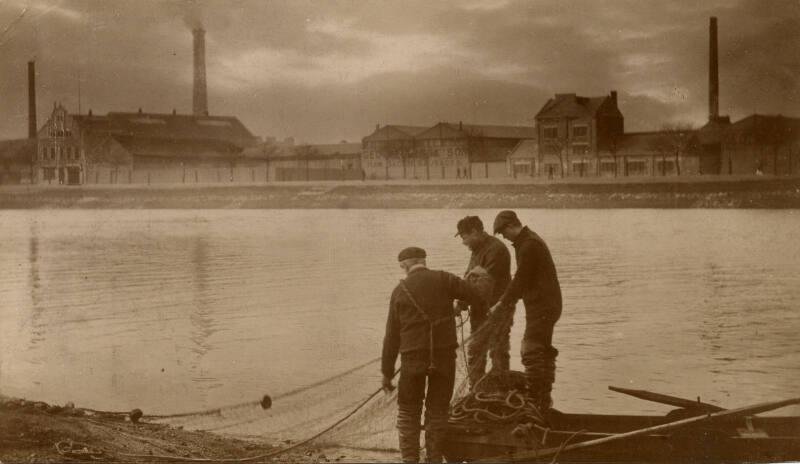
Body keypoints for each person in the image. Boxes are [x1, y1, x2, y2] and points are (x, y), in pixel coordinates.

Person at [382, 247, 487, 463]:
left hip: (412, 359)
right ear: (423, 261)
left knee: (408, 412)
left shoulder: (399, 290)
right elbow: (477, 296)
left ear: (405, 265)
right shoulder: (444, 279)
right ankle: (434, 459)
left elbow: (391, 337)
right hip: (443, 358)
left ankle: (410, 460)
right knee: (438, 412)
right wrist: (476, 278)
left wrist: (387, 372)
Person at [491, 210, 562, 412]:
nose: (504, 237)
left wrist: (502, 303)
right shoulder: (528, 241)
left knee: (531, 350)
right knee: (542, 350)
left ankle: (535, 400)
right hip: (547, 304)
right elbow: (524, 280)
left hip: (543, 306)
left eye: (504, 233)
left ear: (511, 226)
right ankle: (542, 401)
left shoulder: (529, 245)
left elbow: (521, 279)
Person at [454, 216, 512, 387]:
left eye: (464, 237)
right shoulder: (477, 249)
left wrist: (462, 302)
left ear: (474, 232)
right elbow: (469, 277)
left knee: (498, 350)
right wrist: (461, 301)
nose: (464, 242)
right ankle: (476, 389)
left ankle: (500, 390)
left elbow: (484, 283)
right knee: (476, 350)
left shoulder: (496, 249)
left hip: (498, 308)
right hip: (480, 308)